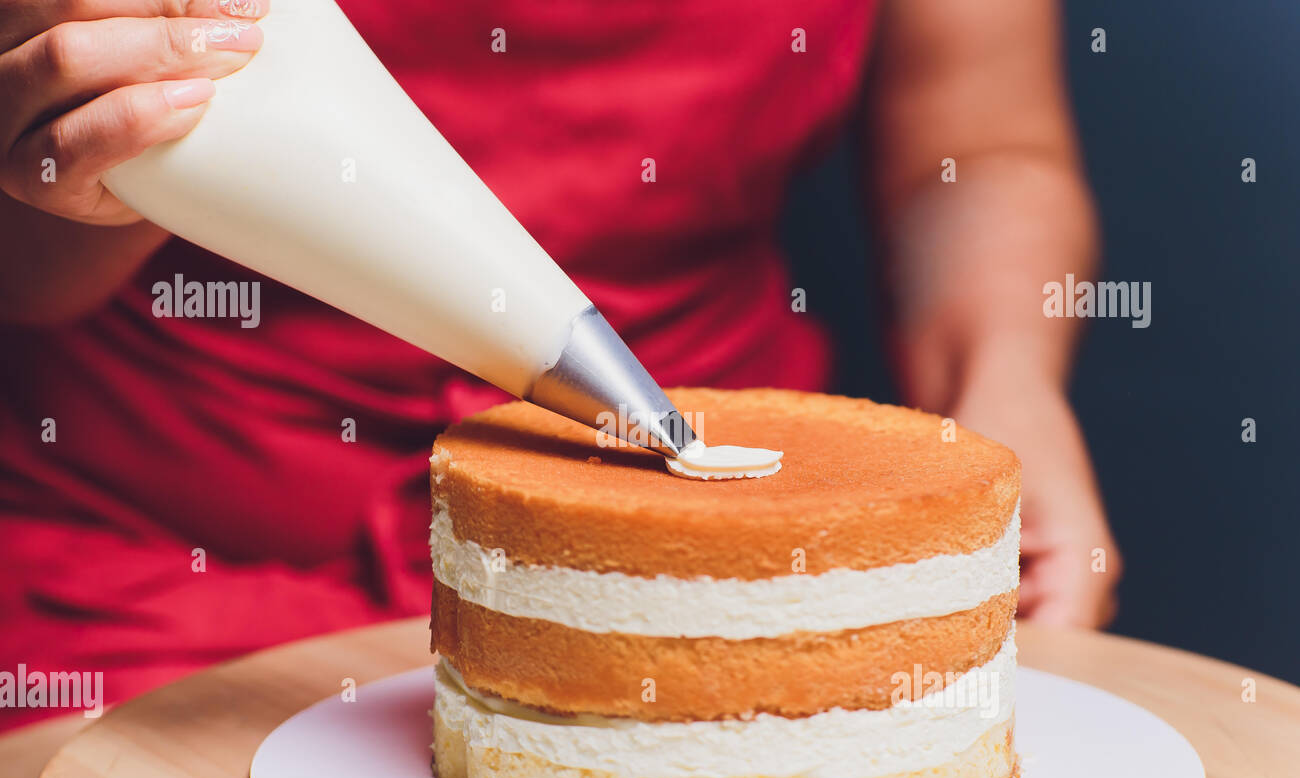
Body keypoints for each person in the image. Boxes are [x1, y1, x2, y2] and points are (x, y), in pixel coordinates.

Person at [0, 0, 1119, 731]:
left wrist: (1004, 372)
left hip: (710, 565)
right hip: (154, 572)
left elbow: (977, 141)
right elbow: (27, 274)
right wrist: (104, 147)